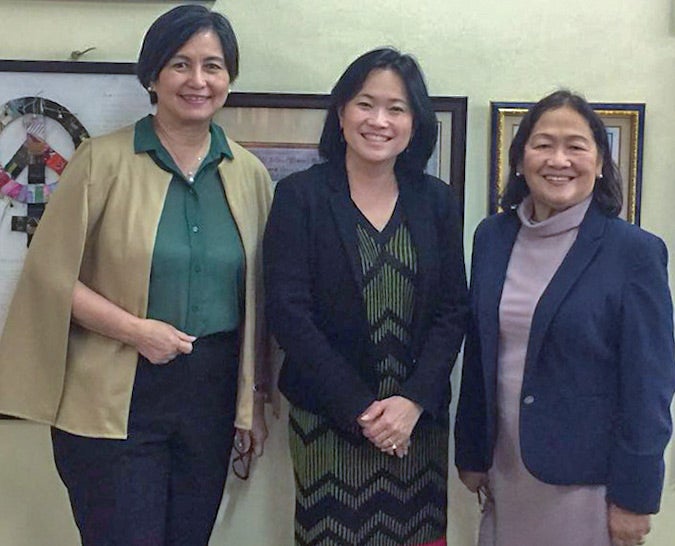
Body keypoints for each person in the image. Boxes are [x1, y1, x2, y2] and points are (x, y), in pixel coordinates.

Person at [0, 5, 273, 545]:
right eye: (180, 64)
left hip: (211, 395)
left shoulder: (250, 175)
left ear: (229, 78)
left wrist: (253, 401)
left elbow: (261, 302)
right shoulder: (100, 162)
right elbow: (50, 278)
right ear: (152, 75)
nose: (198, 80)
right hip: (112, 394)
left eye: (213, 66)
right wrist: (136, 331)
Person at [264, 47, 468, 546]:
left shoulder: (437, 201)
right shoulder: (300, 196)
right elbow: (288, 313)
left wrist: (412, 403)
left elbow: (453, 310)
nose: (379, 120)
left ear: (415, 122)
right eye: (364, 104)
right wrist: (362, 410)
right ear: (341, 113)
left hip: (416, 428)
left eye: (396, 108)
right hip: (328, 421)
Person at [454, 90, 675, 546]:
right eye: (543, 144)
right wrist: (471, 450)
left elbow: (649, 385)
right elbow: (480, 350)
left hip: (586, 485)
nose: (559, 159)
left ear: (598, 163)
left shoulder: (633, 253)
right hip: (504, 470)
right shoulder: (492, 237)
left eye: (576, 146)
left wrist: (636, 497)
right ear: (520, 159)